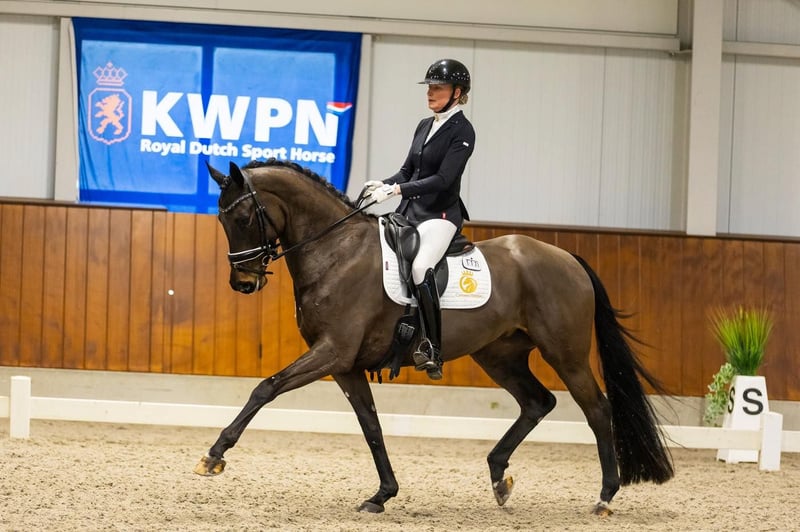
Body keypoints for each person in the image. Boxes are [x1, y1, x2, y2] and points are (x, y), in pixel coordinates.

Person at [366, 58, 475, 380]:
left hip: (440, 214)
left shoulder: (463, 131)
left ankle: (431, 346)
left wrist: (397, 190)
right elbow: (407, 171)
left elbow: (443, 179)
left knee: (420, 267)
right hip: (410, 212)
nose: (430, 93)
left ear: (457, 93)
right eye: (429, 87)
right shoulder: (425, 125)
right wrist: (383, 185)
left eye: (438, 88)